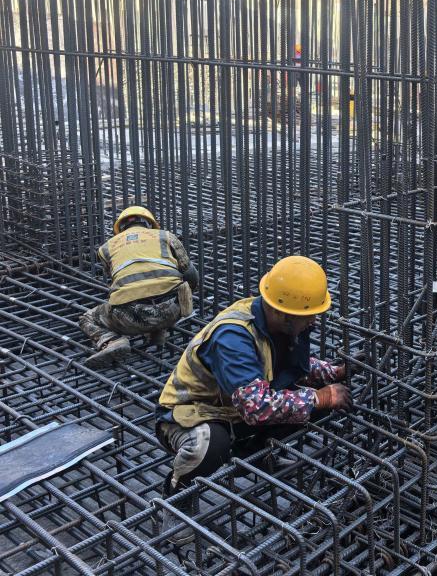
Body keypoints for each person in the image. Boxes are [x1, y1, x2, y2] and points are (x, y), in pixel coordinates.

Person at [155, 255, 352, 540]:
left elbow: (288, 367)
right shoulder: (233, 337)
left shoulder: (275, 324)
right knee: (212, 442)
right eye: (309, 315)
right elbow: (256, 407)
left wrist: (333, 373)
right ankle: (176, 499)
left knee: (312, 401)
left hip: (233, 409)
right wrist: (321, 398)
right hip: (189, 416)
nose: (314, 320)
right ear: (285, 315)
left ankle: (256, 455)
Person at [80, 206, 197, 368]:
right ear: (149, 224)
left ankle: (112, 341)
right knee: (165, 288)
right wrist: (184, 299)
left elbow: (116, 282)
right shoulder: (165, 236)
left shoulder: (106, 248)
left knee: (88, 318)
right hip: (173, 311)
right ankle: (158, 331)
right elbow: (192, 276)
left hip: (130, 318)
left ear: (121, 228)